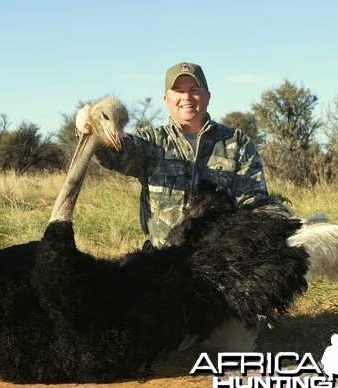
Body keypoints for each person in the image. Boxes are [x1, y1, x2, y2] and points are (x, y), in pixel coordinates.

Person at [76, 61, 288, 352]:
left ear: (207, 96)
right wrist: (91, 128)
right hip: (162, 268)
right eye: (178, 91)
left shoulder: (236, 143)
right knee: (137, 342)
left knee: (234, 348)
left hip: (220, 271)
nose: (187, 97)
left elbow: (255, 203)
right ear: (167, 100)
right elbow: (116, 155)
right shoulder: (151, 143)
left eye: (194, 90)